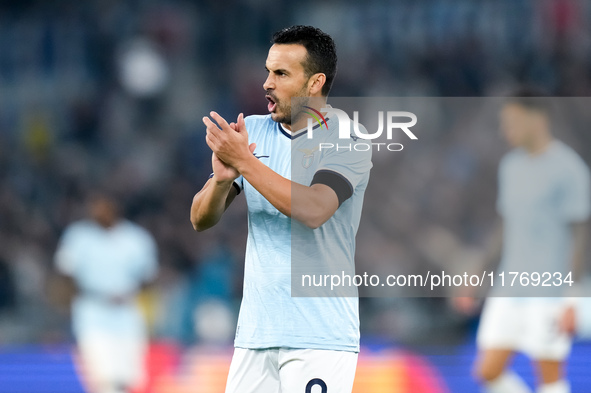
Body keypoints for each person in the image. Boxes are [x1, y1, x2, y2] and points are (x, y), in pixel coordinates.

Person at [190, 25, 372, 393]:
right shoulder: (252, 132)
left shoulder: (347, 138)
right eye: (268, 71)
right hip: (256, 334)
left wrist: (244, 161)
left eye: (281, 74)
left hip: (319, 337)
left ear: (315, 83)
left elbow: (315, 208)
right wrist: (224, 178)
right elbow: (200, 219)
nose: (266, 83)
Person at [456, 91, 590, 393]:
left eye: (512, 123)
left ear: (537, 120)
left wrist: (573, 297)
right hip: (508, 287)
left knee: (550, 378)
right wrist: (477, 273)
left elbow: (581, 235)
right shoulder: (511, 166)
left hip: (549, 291)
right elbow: (505, 226)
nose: (506, 131)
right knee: (487, 372)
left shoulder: (569, 169)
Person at [55, 191, 158, 393]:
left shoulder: (136, 238)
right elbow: (65, 274)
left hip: (126, 311)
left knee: (128, 376)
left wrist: (128, 293)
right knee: (101, 377)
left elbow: (149, 276)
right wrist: (68, 305)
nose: (99, 211)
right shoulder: (78, 236)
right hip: (92, 310)